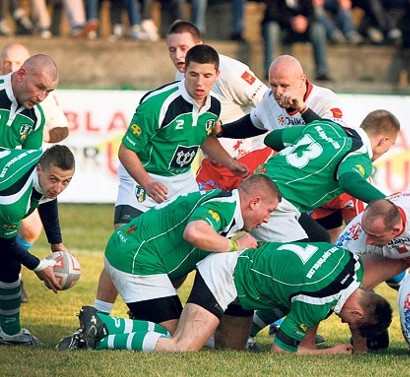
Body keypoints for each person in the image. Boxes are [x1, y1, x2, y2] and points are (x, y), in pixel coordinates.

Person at [92, 44, 249, 316]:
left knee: (182, 249)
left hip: (181, 181)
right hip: (143, 178)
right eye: (194, 75)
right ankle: (99, 313)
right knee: (124, 242)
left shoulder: (214, 105)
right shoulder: (158, 104)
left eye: (207, 76)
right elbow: (126, 150)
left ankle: (150, 307)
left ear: (217, 75)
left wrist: (230, 162)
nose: (200, 83)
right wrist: (147, 183)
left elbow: (205, 137)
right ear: (184, 72)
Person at [57, 174, 280, 349]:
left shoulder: (227, 206)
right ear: (254, 202)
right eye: (269, 211)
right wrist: (234, 246)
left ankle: (129, 320)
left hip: (134, 251)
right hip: (135, 258)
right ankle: (103, 327)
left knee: (182, 332)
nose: (268, 219)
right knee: (175, 338)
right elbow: (194, 233)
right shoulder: (225, 207)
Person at [59, 241, 393, 354]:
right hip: (224, 276)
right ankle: (104, 332)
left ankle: (112, 325)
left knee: (224, 349)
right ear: (359, 315)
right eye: (350, 323)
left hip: (243, 290)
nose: (343, 322)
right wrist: (331, 352)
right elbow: (281, 353)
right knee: (183, 347)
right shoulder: (321, 300)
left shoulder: (349, 262)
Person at [248, 109, 399, 243]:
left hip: (253, 184)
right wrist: (391, 204)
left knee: (319, 239)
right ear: (383, 141)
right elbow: (349, 181)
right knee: (304, 263)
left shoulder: (326, 126)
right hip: (274, 204)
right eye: (389, 146)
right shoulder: (360, 155)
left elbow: (272, 138)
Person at [209, 54, 346, 192]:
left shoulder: (325, 100)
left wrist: (302, 109)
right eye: (273, 85)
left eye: (284, 85)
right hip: (295, 177)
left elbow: (334, 140)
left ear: (302, 80)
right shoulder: (270, 98)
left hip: (328, 179)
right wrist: (222, 130)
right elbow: (253, 123)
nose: (278, 92)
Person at [1, 43, 70, 303]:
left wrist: (56, 243)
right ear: (21, 75)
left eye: (48, 91)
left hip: (3, 200)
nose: (42, 97)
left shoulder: (36, 117)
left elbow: (37, 177)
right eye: (39, 88)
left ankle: (9, 331)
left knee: (9, 261)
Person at [164, 20, 269, 191]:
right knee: (194, 212)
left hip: (252, 158)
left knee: (256, 215)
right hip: (215, 166)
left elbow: (270, 105)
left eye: (184, 48)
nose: (178, 56)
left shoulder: (231, 72)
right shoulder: (180, 77)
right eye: (172, 49)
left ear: (200, 45)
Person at [0, 146, 75, 345]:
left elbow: (47, 197)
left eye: (66, 182)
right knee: (8, 261)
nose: (59, 188)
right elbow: (6, 244)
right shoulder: (11, 200)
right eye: (54, 180)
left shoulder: (44, 162)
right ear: (39, 169)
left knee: (8, 266)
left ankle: (9, 332)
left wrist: (56, 243)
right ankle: (9, 332)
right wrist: (39, 266)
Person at [261, 0, 332, 81]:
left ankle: (321, 71)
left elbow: (312, 15)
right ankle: (269, 71)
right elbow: (271, 14)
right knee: (271, 28)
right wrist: (292, 21)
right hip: (282, 30)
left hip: (301, 31)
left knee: (318, 29)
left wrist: (305, 22)